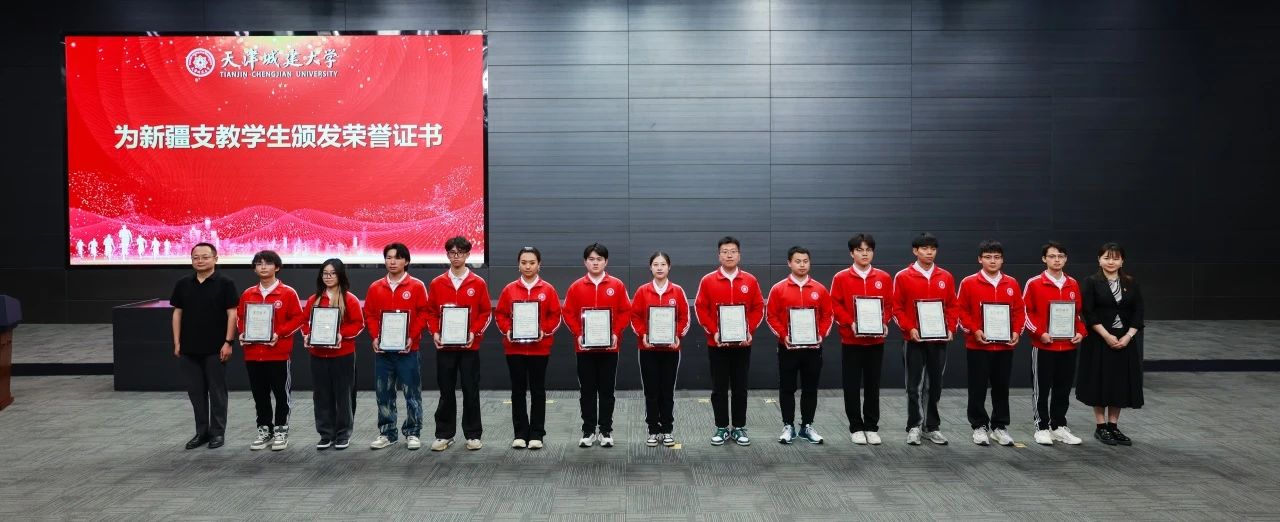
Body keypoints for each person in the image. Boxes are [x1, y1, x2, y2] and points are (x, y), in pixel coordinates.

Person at [694, 236, 765, 446]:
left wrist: (749, 330)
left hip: (742, 345)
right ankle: (722, 427)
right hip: (717, 345)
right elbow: (700, 308)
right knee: (719, 388)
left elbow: (758, 307)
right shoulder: (708, 280)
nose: (729, 255)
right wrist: (714, 331)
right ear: (719, 255)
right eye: (725, 252)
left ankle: (739, 427)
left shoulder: (750, 280)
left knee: (740, 387)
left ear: (739, 255)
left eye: (733, 251)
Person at [425, 236, 492, 451]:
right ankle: (444, 434)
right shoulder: (437, 283)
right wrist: (435, 332)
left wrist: (474, 332)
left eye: (460, 253)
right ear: (447, 255)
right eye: (452, 253)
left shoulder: (477, 282)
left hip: (469, 348)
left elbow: (485, 312)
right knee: (446, 391)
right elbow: (430, 313)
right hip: (445, 347)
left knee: (471, 390)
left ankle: (473, 434)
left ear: (467, 255)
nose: (456, 257)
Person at [955, 240, 1025, 447]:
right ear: (980, 259)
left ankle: (999, 427)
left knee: (1001, 388)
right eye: (988, 257)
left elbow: (1019, 311)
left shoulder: (1011, 283)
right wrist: (974, 330)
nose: (992, 261)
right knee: (977, 388)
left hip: (1004, 346)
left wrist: (1016, 331)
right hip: (978, 346)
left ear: (1002, 260)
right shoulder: (969, 282)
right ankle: (979, 426)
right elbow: (961, 311)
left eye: (996, 257)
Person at [892, 232, 960, 446]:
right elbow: (896, 308)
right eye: (924, 248)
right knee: (914, 386)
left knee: (934, 386)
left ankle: (932, 427)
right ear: (915, 251)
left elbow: (953, 306)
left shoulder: (945, 276)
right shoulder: (903, 276)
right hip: (913, 340)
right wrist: (910, 328)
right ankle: (914, 426)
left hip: (938, 341)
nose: (929, 252)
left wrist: (951, 328)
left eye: (932, 248)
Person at [170, 242, 238, 449]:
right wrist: (177, 342)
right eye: (196, 257)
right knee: (196, 393)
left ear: (215, 259)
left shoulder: (225, 283)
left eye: (205, 257)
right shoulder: (183, 283)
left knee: (217, 393)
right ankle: (201, 432)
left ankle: (218, 433)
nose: (200, 261)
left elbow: (232, 314)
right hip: (189, 348)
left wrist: (228, 342)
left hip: (216, 348)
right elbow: (177, 313)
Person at [563, 243, 631, 448]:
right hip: (584, 349)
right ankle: (588, 430)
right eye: (591, 259)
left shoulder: (617, 285)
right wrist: (579, 334)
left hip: (609, 349)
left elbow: (625, 312)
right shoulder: (576, 286)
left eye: (599, 259)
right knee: (587, 390)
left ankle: (606, 430)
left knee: (607, 390)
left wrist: (615, 332)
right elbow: (568, 313)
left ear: (606, 261)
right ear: (585, 262)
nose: (595, 263)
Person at [235, 250, 304, 451]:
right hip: (253, 354)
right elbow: (241, 317)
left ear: (277, 267)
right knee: (260, 395)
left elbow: (298, 318)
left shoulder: (288, 292)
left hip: (278, 354)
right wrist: (243, 332)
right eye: (259, 263)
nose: (263, 267)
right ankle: (264, 430)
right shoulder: (248, 293)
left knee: (282, 395)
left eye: (267, 263)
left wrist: (279, 333)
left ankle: (281, 431)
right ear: (254, 268)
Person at [494, 246, 562, 450]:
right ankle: (520, 433)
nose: (528, 266)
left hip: (539, 349)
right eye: (524, 262)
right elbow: (500, 315)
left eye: (532, 262)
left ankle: (537, 433)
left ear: (539, 265)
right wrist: (507, 329)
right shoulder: (509, 289)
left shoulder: (548, 289)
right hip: (514, 349)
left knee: (538, 391)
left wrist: (544, 330)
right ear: (518, 265)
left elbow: (555, 316)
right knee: (518, 391)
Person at [1077, 242, 1145, 446]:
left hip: (1124, 340)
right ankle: (1100, 426)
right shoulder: (1091, 282)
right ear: (1099, 260)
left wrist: (1129, 336)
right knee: (1100, 381)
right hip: (1099, 339)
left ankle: (1113, 426)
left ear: (1122, 261)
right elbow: (1088, 312)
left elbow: (1138, 311)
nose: (1111, 262)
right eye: (1106, 258)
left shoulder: (1131, 282)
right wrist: (1106, 335)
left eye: (1115, 258)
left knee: (1119, 382)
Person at [364, 243, 430, 450]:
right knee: (383, 393)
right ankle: (387, 432)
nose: (392, 262)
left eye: (397, 258)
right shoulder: (375, 287)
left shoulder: (416, 286)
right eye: (389, 257)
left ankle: (413, 432)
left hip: (408, 350)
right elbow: (370, 315)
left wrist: (411, 337)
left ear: (406, 261)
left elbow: (424, 313)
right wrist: (375, 337)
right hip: (383, 351)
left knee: (412, 393)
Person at [830, 233, 893, 445]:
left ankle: (871, 427)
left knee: (873, 385)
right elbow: (835, 305)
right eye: (860, 250)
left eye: (868, 250)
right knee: (852, 385)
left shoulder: (884, 277)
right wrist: (850, 322)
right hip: (851, 342)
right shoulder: (841, 278)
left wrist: (884, 321)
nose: (864, 254)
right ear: (852, 253)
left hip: (876, 342)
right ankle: (856, 427)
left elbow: (890, 305)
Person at [766, 246, 833, 445]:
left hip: (813, 349)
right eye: (797, 261)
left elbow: (828, 315)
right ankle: (788, 425)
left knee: (810, 388)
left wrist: (821, 334)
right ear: (789, 263)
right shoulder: (779, 289)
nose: (802, 265)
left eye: (805, 261)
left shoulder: (820, 289)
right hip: (788, 348)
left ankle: (807, 426)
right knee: (787, 388)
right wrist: (784, 335)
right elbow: (771, 316)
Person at [1022, 241, 1087, 446]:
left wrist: (1081, 332)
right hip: (1043, 346)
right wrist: (1039, 333)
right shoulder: (1034, 283)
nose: (1056, 260)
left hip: (1068, 346)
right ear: (1044, 259)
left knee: (1063, 389)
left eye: (1060, 256)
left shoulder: (1072, 283)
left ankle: (1058, 426)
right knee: (1041, 389)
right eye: (1052, 256)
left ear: (1065, 259)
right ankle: (1041, 427)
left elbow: (1076, 315)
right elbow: (1025, 313)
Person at [301, 258, 364, 450]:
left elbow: (358, 324)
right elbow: (304, 323)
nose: (328, 277)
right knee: (321, 396)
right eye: (325, 273)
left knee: (344, 396)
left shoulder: (349, 299)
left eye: (332, 273)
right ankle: (326, 434)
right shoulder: (314, 299)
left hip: (342, 355)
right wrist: (307, 335)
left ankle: (343, 434)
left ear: (340, 275)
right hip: (318, 355)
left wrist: (340, 335)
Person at [630, 251, 691, 447]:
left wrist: (677, 335)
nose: (659, 268)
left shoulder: (678, 291)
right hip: (647, 350)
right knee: (651, 391)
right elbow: (634, 317)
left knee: (667, 391)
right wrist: (643, 334)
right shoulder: (642, 291)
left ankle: (667, 429)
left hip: (671, 350)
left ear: (669, 267)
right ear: (650, 267)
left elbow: (685, 318)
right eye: (655, 264)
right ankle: (652, 430)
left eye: (663, 264)